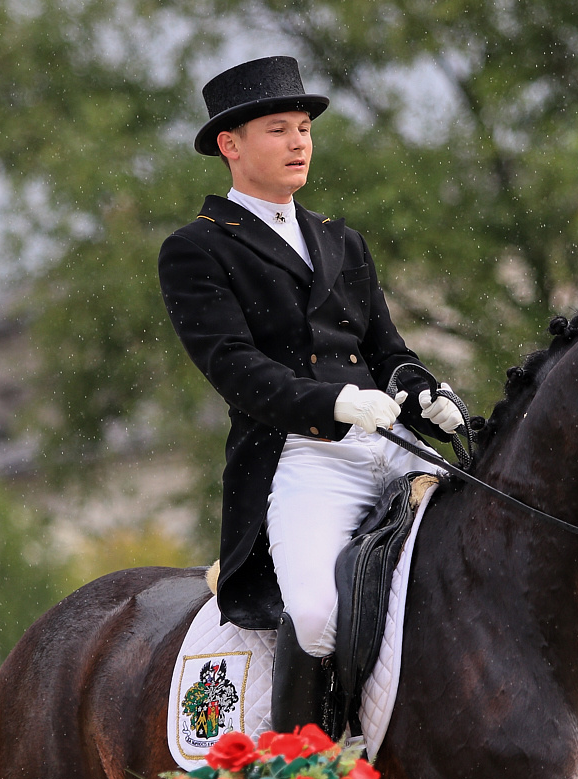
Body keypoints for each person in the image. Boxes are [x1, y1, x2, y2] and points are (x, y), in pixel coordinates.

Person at [158, 56, 463, 732]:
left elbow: (387, 351)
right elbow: (234, 367)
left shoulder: (340, 240)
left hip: (389, 442)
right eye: (279, 129)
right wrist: (333, 402)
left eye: (304, 128)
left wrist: (423, 393)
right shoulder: (199, 250)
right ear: (231, 147)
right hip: (301, 455)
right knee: (318, 613)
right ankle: (307, 766)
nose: (299, 142)